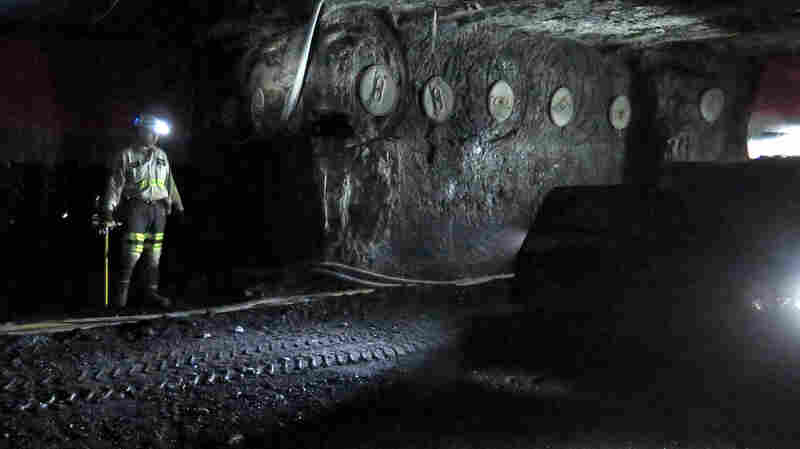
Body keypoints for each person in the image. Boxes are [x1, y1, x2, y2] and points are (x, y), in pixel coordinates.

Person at [101, 114, 184, 309]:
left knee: (154, 255)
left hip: (159, 210)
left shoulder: (162, 155)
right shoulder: (126, 155)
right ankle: (120, 299)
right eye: (151, 132)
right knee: (131, 253)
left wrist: (178, 206)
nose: (155, 137)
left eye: (157, 134)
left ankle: (151, 295)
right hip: (137, 207)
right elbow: (115, 184)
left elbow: (169, 183)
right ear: (141, 131)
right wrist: (108, 209)